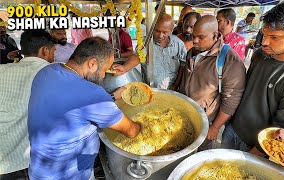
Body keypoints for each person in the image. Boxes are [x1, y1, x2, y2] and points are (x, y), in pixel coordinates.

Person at [28, 37, 140, 180]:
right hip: (71, 175)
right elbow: (131, 131)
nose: (103, 75)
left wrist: (111, 97)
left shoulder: (47, 71)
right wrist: (143, 125)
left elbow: (71, 105)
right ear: (92, 63)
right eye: (104, 70)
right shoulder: (93, 95)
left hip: (38, 171)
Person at [222, 0, 284, 156]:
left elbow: (281, 131)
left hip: (256, 148)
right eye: (264, 34)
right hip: (233, 129)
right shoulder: (261, 54)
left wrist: (251, 157)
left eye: (275, 37)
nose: (265, 42)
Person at [179, 15, 246, 150]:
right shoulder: (193, 51)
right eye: (194, 36)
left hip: (206, 120)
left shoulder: (230, 60)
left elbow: (231, 100)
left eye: (201, 37)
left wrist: (215, 127)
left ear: (215, 35)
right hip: (186, 114)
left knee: (202, 153)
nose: (195, 41)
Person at [0, 30, 56, 179]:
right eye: (53, 51)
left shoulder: (2, 70)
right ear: (45, 50)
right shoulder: (50, 72)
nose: (53, 56)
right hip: (25, 161)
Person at [149, 14, 187, 89]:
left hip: (172, 89)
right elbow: (136, 58)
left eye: (164, 32)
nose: (160, 36)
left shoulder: (178, 44)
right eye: (157, 31)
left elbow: (183, 65)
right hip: (150, 88)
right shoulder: (146, 43)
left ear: (171, 30)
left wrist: (176, 85)